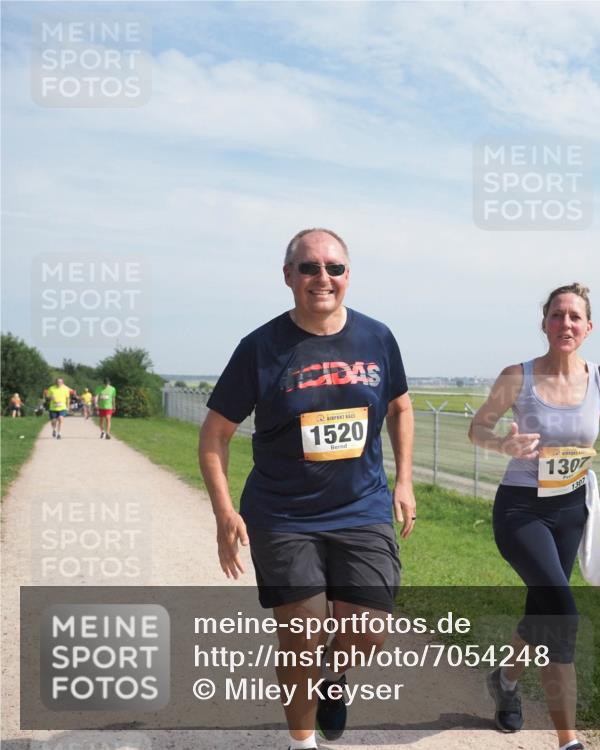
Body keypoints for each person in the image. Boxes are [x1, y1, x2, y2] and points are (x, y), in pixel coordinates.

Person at [198, 228, 415, 750]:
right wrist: (224, 512)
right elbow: (215, 434)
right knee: (300, 637)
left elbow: (400, 407)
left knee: (367, 632)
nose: (323, 278)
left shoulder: (377, 338)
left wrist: (403, 480)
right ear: (288, 276)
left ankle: (333, 679)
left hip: (362, 507)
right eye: (310, 268)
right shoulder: (260, 348)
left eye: (334, 268)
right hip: (283, 515)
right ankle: (301, 743)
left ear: (347, 275)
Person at [468, 283, 600, 750]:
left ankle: (506, 680)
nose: (566, 324)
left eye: (575, 317)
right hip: (521, 510)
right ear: (544, 323)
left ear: (588, 328)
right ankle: (568, 741)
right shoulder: (517, 376)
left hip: (570, 510)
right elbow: (477, 428)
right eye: (557, 315)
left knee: (543, 607)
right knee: (562, 611)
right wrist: (502, 443)